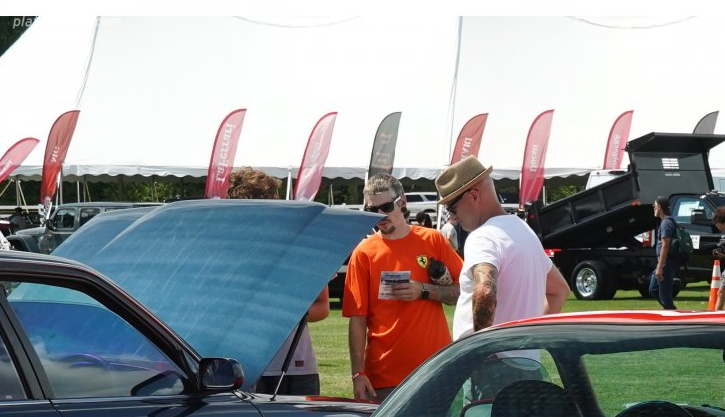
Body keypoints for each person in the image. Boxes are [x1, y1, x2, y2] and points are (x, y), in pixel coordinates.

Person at [344, 174, 463, 402]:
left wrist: (424, 290)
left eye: (386, 207)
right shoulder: (363, 253)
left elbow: (465, 291)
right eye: (372, 210)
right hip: (384, 377)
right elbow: (357, 319)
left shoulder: (433, 240)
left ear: (402, 202)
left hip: (436, 369)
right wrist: (357, 373)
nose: (379, 216)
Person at [436, 155, 569, 338]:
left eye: (452, 208)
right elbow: (559, 291)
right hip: (526, 360)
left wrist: (480, 350)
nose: (453, 216)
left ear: (474, 196)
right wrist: (527, 340)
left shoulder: (482, 236)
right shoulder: (524, 230)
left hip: (488, 363)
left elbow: (485, 291)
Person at [226, 166, 329, 396]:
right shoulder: (229, 249)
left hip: (297, 367)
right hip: (245, 367)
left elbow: (323, 307)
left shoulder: (301, 246)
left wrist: (286, 314)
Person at [650, 196, 679, 310]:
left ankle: (672, 313)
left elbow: (665, 245)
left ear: (659, 207)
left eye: (654, 206)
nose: (653, 208)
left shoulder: (666, 223)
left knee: (664, 296)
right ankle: (670, 310)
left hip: (666, 263)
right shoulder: (666, 221)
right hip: (665, 263)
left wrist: (660, 267)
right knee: (653, 289)